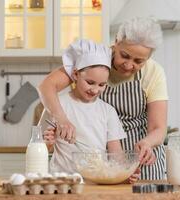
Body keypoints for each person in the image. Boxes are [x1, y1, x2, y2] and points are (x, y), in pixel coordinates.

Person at [38, 17, 168, 180]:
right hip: (93, 166)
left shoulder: (153, 72)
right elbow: (47, 86)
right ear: (116, 42)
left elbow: (158, 128)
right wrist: (62, 120)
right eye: (124, 55)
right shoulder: (94, 59)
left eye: (138, 61)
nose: (128, 65)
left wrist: (147, 144)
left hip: (139, 158)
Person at [38, 39, 127, 174]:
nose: (95, 90)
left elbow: (116, 155)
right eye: (90, 82)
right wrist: (47, 144)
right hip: (63, 181)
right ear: (75, 74)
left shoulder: (108, 111)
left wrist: (125, 173)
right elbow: (38, 146)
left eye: (101, 85)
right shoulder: (56, 105)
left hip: (96, 181)